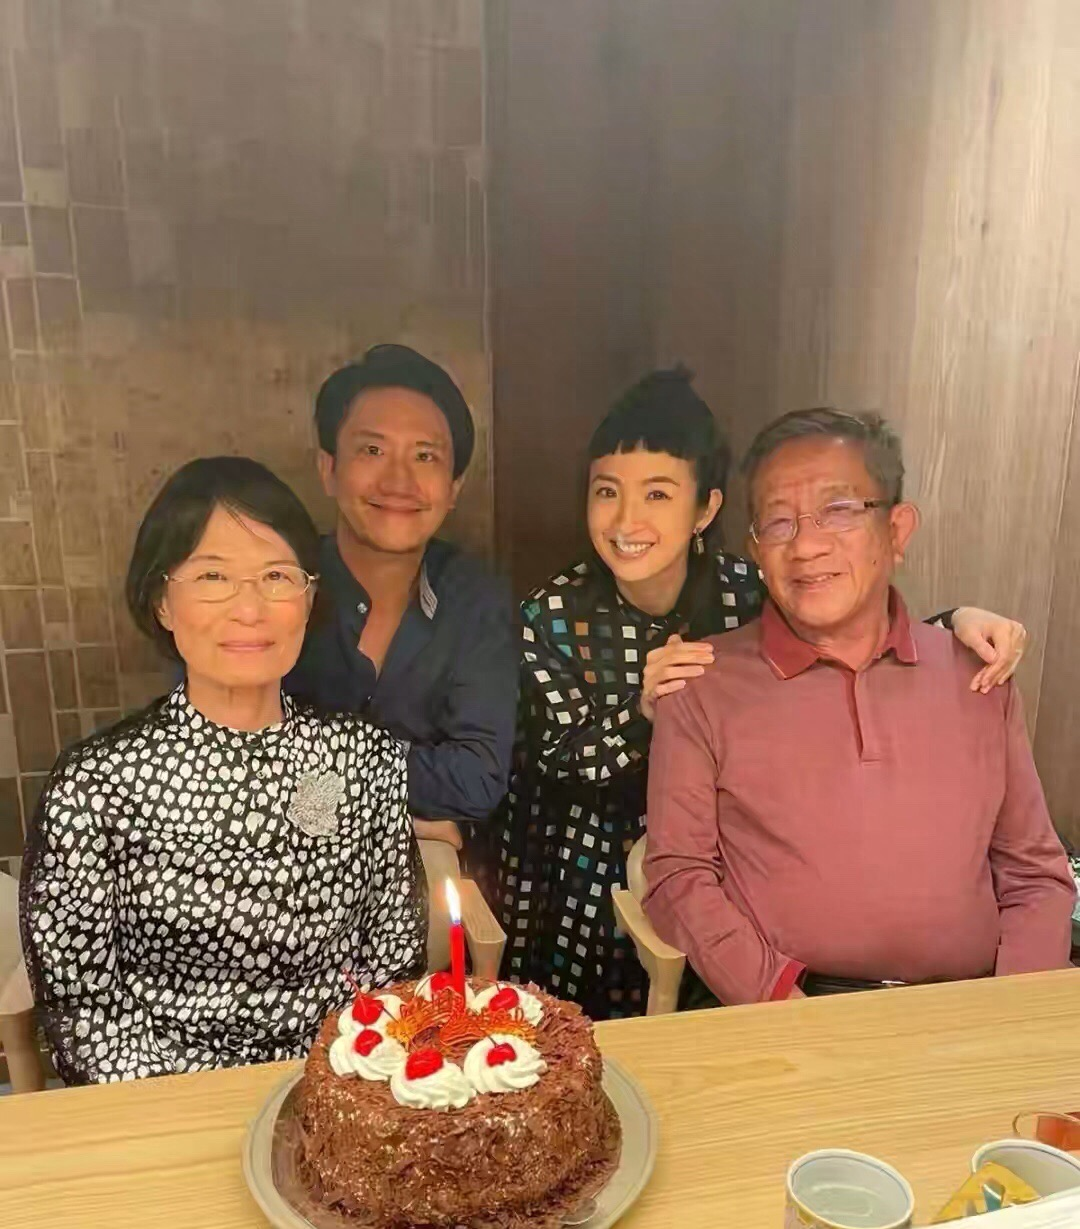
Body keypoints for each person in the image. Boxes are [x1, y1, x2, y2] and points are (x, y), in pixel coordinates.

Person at [497, 371, 1030, 1020]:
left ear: (706, 510)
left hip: (746, 870)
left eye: (657, 493)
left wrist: (952, 627)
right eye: (607, 491)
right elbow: (553, 759)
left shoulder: (749, 585)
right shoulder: (553, 614)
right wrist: (642, 712)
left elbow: (849, 619)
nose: (628, 519)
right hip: (592, 859)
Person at [644, 409, 1075, 1005]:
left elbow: (1035, 873)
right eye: (778, 521)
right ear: (756, 551)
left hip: (972, 1008)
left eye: (840, 510)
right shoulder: (700, 683)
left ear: (897, 531)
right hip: (791, 1010)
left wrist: (1011, 1014)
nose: (806, 545)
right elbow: (678, 878)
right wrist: (780, 1004)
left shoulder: (979, 673)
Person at [20, 458, 426, 1084]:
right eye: (213, 576)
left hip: (338, 1083)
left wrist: (341, 1088)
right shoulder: (94, 786)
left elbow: (392, 958)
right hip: (166, 1098)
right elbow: (84, 1010)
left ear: (309, 598)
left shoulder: (362, 757)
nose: (250, 609)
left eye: (277, 576)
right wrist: (197, 1109)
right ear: (162, 601)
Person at [287, 344, 517, 849]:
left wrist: (312, 774)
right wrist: (392, 818)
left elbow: (478, 779)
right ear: (328, 468)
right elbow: (222, 757)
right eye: (372, 451)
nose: (398, 481)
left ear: (453, 487)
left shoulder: (476, 600)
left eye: (425, 456)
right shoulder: (275, 586)